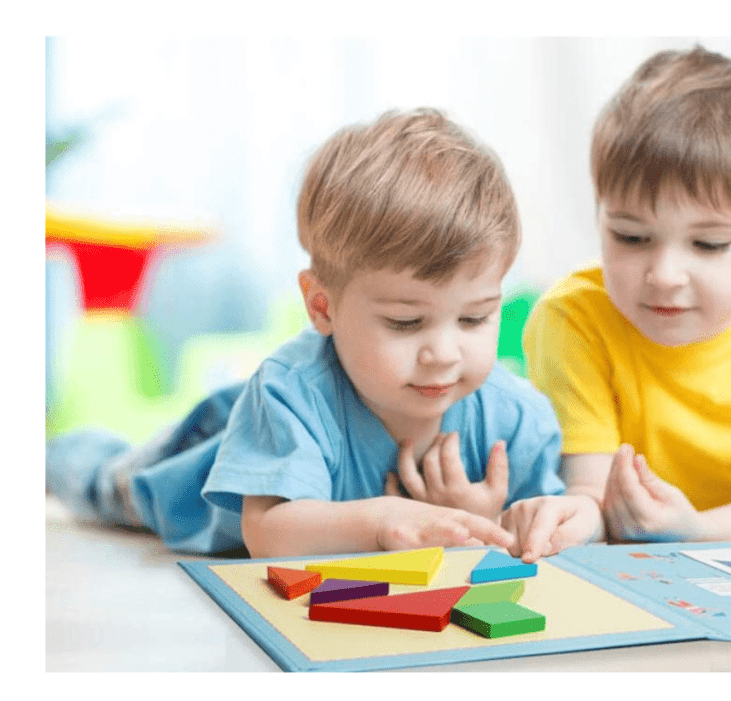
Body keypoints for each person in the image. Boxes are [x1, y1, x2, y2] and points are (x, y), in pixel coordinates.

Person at [46, 108, 566, 558]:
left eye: (474, 318)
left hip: (270, 418)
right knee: (110, 483)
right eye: (406, 322)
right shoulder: (290, 393)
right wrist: (389, 519)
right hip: (205, 460)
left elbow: (548, 523)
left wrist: (486, 519)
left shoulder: (515, 416)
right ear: (322, 306)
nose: (444, 354)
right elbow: (270, 531)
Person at [517, 46, 731, 552]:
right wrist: (572, 519)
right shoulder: (569, 319)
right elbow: (593, 496)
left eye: (708, 244)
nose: (663, 276)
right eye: (631, 237)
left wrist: (698, 530)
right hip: (696, 505)